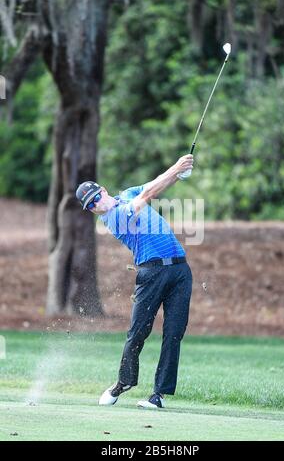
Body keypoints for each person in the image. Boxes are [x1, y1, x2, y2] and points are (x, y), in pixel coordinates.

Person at [76, 154, 193, 409]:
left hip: (180, 271)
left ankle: (159, 395)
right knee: (138, 332)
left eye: (96, 197)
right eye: (90, 205)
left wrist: (177, 175)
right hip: (151, 274)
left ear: (103, 191)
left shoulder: (127, 193)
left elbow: (154, 185)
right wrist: (174, 168)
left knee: (174, 333)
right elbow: (148, 195)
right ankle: (123, 383)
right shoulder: (112, 218)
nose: (96, 204)